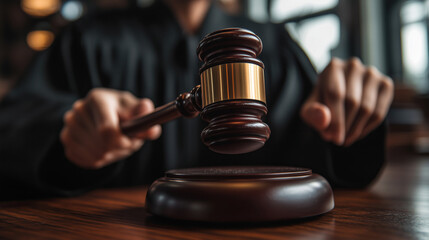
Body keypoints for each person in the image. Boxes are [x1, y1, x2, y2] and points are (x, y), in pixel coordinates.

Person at [0, 0, 393, 199]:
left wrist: (353, 115)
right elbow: (14, 126)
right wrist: (66, 135)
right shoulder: (87, 40)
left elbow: (321, 146)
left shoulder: (273, 46)